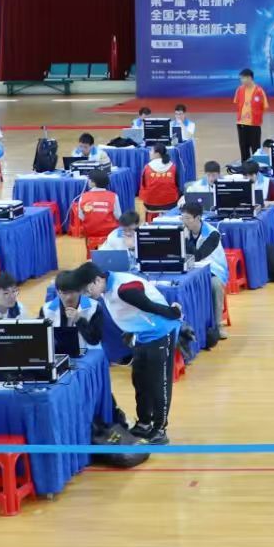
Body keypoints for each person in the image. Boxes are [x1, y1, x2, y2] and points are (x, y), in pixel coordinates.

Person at [94, 256, 185, 442]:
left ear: (98, 280)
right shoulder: (105, 288)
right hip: (142, 335)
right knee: (140, 380)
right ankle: (144, 423)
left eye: (88, 288)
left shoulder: (124, 288)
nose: (87, 293)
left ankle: (160, 429)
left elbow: (150, 306)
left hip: (160, 332)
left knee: (159, 383)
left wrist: (174, 313)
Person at [178, 201, 229, 346]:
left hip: (213, 269)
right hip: (191, 269)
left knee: (215, 285)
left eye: (188, 218)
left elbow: (198, 256)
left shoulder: (213, 234)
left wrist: (185, 239)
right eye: (183, 218)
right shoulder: (182, 230)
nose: (184, 221)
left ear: (198, 218)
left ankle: (218, 325)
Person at [68, 169, 121, 245]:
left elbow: (81, 216)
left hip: (89, 231)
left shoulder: (83, 197)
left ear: (93, 182)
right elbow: (118, 216)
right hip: (110, 232)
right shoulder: (114, 196)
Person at [234, 67, 268, 162]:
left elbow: (264, 107)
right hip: (241, 124)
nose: (241, 80)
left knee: (255, 149)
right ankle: (245, 167)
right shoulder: (239, 90)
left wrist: (255, 117)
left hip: (254, 125)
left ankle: (256, 167)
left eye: (243, 78)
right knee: (244, 149)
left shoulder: (259, 91)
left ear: (249, 78)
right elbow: (238, 103)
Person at [138, 143, 179, 215]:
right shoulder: (173, 166)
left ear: (157, 154)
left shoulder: (147, 167)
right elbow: (177, 184)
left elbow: (143, 186)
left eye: (151, 151)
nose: (149, 153)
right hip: (171, 203)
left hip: (150, 204)